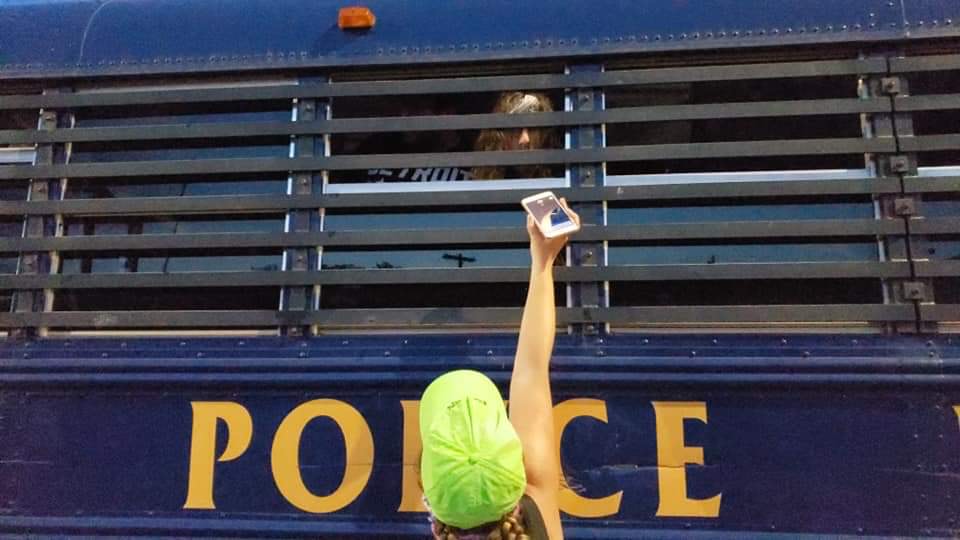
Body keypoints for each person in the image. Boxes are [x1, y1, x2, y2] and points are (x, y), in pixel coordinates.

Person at [418, 200, 579, 540]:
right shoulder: (539, 515)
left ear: (430, 504)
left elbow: (531, 372)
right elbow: (531, 372)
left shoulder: (537, 502)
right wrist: (543, 261)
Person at [472, 92, 560, 180]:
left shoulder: (564, 177)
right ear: (500, 137)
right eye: (516, 130)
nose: (525, 139)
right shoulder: (486, 186)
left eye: (532, 129)